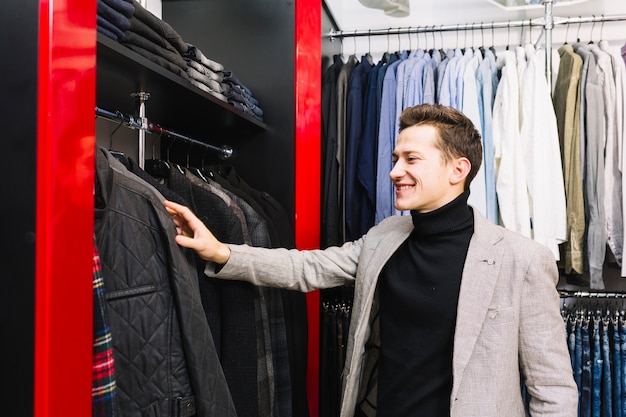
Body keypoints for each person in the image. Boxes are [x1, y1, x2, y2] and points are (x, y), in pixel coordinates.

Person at [164, 104, 578, 417]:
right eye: (395, 159)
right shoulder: (385, 238)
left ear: (459, 170)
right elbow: (309, 268)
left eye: (412, 159)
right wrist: (221, 251)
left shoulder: (522, 260)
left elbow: (553, 388)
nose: (396, 171)